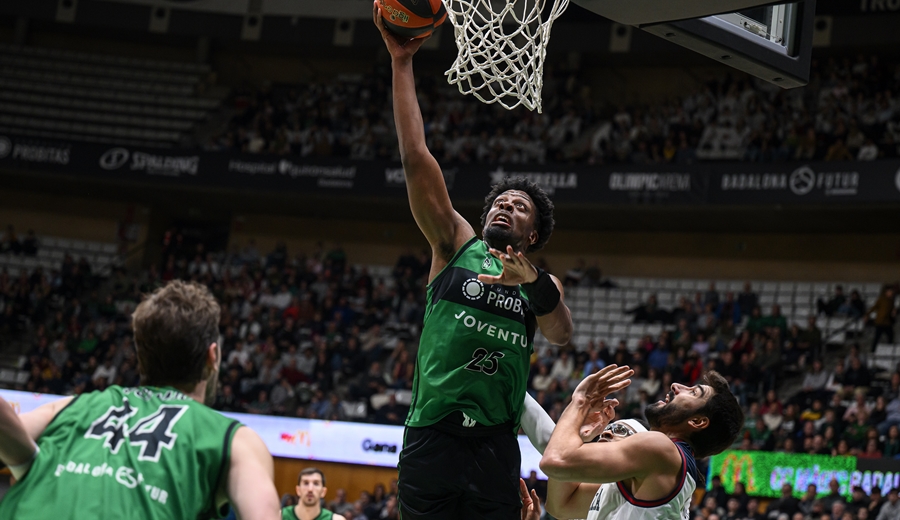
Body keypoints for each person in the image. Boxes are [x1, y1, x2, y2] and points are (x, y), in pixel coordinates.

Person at [373, 5, 573, 519]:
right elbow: (416, 155)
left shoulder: (542, 283)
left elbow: (561, 334)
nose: (506, 203)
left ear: (532, 234)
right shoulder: (454, 244)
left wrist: (532, 285)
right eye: (500, 200)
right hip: (433, 435)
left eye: (519, 205)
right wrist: (400, 64)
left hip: (494, 445)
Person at [0, 280, 281, 519]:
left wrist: (26, 463)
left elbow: (10, 432)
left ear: (141, 358)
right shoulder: (236, 440)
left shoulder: (68, 406)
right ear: (213, 356)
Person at [541, 366, 743, 520]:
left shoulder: (661, 449)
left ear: (697, 421)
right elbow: (561, 505)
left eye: (693, 392)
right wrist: (580, 434)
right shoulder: (655, 471)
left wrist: (580, 402)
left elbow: (555, 461)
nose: (676, 386)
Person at [282, 468, 347, 520]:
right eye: (306, 483)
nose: (310, 489)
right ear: (298, 490)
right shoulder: (279, 516)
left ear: (323, 492)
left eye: (316, 484)